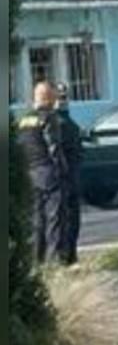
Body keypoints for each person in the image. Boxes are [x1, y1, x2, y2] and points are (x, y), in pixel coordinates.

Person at [15, 82, 76, 265]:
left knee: (37, 219)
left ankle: (37, 260)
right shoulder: (49, 118)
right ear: (50, 98)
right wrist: (63, 171)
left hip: (30, 173)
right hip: (49, 173)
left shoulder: (23, 120)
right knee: (55, 218)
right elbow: (54, 147)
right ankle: (55, 262)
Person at [55, 82, 84, 263]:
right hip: (63, 179)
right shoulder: (62, 123)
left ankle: (69, 255)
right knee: (65, 220)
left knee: (70, 219)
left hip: (66, 178)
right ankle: (67, 256)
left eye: (64, 97)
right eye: (60, 97)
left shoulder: (66, 122)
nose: (63, 101)